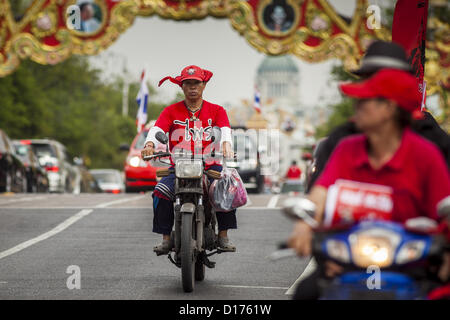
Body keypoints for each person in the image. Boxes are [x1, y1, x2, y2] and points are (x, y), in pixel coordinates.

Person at [288, 68, 450, 300]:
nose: (356, 106)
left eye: (365, 101)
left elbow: (445, 211)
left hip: (413, 268)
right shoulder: (346, 149)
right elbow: (320, 194)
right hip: (349, 262)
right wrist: (303, 224)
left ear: (389, 108)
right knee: (305, 293)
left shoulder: (426, 155)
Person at [307, 40, 450, 192]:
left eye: (379, 79)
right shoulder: (343, 143)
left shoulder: (431, 146)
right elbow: (318, 196)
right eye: (366, 79)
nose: (359, 101)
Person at [141, 65, 237, 254]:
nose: (192, 87)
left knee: (225, 188)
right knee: (160, 191)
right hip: (178, 166)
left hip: (210, 164)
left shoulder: (217, 110)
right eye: (188, 83)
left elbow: (225, 129)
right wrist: (149, 144)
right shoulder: (170, 111)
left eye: (196, 83)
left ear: (203, 85)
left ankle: (223, 236)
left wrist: (226, 144)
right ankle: (166, 238)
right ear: (182, 87)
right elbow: (157, 129)